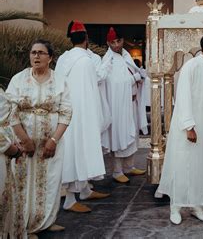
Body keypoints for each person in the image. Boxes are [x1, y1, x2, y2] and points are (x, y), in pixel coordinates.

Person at [3, 40, 72, 237]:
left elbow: (66, 112)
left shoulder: (60, 80)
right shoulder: (19, 79)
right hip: (23, 143)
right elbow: (9, 110)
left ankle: (46, 221)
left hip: (50, 143)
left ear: (50, 57)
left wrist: (53, 141)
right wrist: (24, 139)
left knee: (50, 181)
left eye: (41, 53)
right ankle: (26, 226)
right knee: (23, 183)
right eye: (33, 52)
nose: (36, 56)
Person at [158, 31, 203, 225]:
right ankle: (175, 207)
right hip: (189, 128)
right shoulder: (191, 66)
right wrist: (189, 127)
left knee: (200, 166)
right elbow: (183, 97)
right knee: (183, 165)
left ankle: (197, 206)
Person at [55, 21, 109, 213]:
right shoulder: (86, 60)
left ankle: (84, 190)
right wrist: (98, 115)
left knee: (73, 152)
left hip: (65, 114)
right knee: (77, 153)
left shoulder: (63, 58)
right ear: (86, 39)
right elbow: (91, 91)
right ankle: (70, 199)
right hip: (82, 115)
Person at [100, 27, 147, 183]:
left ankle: (129, 167)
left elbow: (130, 73)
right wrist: (135, 78)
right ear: (108, 43)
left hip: (131, 103)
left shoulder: (126, 55)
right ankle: (117, 171)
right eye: (112, 42)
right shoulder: (108, 60)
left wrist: (140, 76)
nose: (116, 45)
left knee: (131, 133)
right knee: (119, 135)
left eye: (118, 41)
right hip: (118, 106)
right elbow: (114, 83)